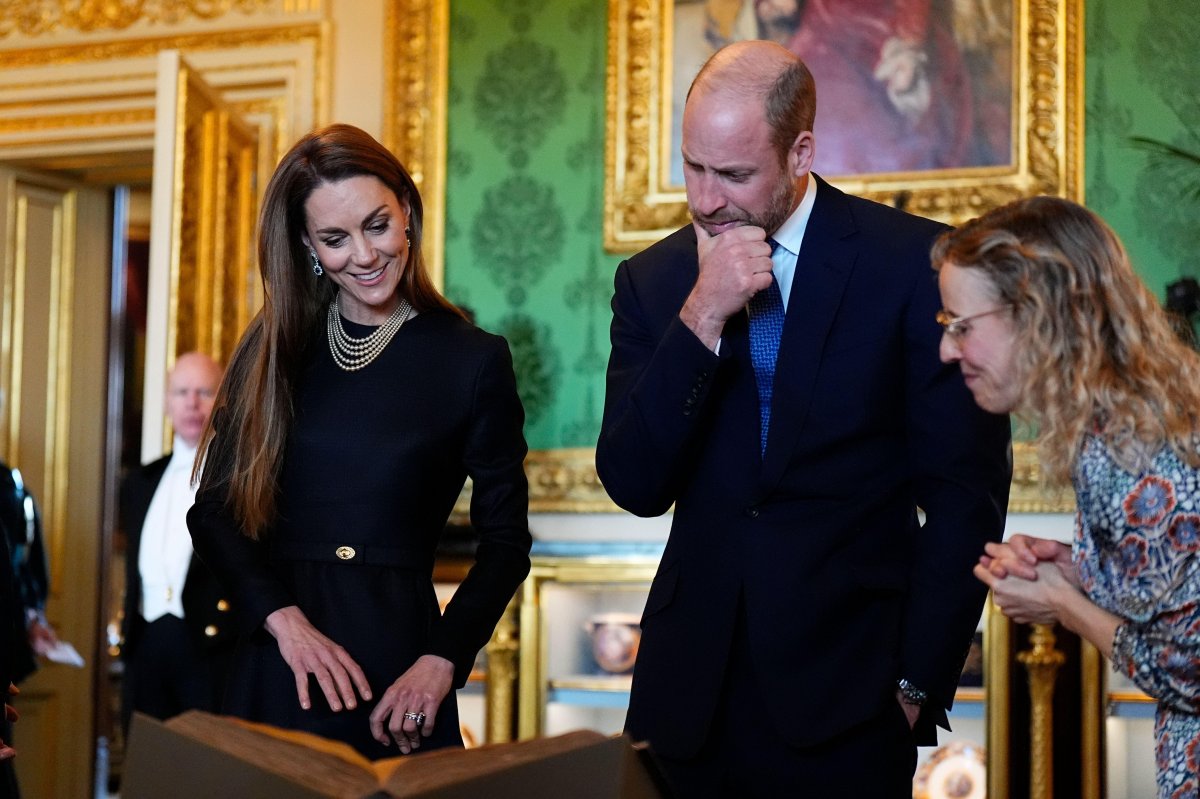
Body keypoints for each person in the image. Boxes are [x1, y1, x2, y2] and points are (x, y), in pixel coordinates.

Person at [596, 40, 1012, 796]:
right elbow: (633, 481)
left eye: (734, 174)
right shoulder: (653, 281)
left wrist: (919, 681)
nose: (706, 197)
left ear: (801, 151)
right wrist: (702, 314)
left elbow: (964, 493)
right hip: (682, 697)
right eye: (693, 166)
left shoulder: (911, 265)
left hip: (852, 700)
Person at [187, 124, 531, 759]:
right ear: (308, 246)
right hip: (277, 661)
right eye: (335, 239)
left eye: (377, 225)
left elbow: (506, 545)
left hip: (402, 670)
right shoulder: (273, 350)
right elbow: (211, 515)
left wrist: (443, 661)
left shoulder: (472, 360)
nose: (365, 256)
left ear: (406, 210)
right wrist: (285, 624)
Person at [938, 196, 1200, 799]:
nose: (949, 351)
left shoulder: (1127, 447)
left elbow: (1188, 673)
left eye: (962, 325)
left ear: (1037, 315)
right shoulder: (1132, 417)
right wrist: (1079, 571)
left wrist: (1062, 601)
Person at [119, 351, 233, 732]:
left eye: (204, 391)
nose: (192, 402)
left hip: (210, 648)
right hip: (145, 642)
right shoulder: (141, 481)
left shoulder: (237, 479)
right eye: (181, 392)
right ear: (167, 403)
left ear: (223, 400)